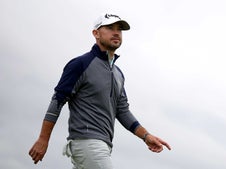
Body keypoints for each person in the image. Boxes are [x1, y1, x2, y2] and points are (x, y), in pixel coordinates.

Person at [28, 13, 171, 169]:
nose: (116, 32)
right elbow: (57, 101)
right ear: (96, 33)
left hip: (104, 145)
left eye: (119, 30)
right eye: (110, 28)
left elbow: (122, 111)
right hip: (87, 143)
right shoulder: (80, 64)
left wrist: (146, 136)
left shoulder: (118, 74)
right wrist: (43, 139)